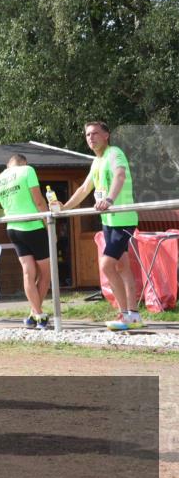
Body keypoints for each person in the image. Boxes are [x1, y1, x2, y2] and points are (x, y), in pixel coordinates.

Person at [57, 121, 141, 331]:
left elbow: (120, 175)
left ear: (106, 135)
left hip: (122, 219)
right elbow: (85, 188)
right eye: (87, 135)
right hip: (109, 222)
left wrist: (110, 200)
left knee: (106, 266)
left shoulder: (114, 153)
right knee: (122, 267)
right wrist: (64, 208)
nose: (91, 138)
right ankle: (134, 315)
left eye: (95, 133)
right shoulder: (96, 161)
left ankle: (125, 315)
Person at [0, 154, 52, 329]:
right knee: (46, 272)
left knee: (28, 272)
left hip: (13, 229)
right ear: (23, 162)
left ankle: (34, 314)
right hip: (33, 227)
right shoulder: (27, 170)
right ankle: (39, 315)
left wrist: (9, 212)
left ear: (8, 164)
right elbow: (39, 201)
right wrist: (49, 226)